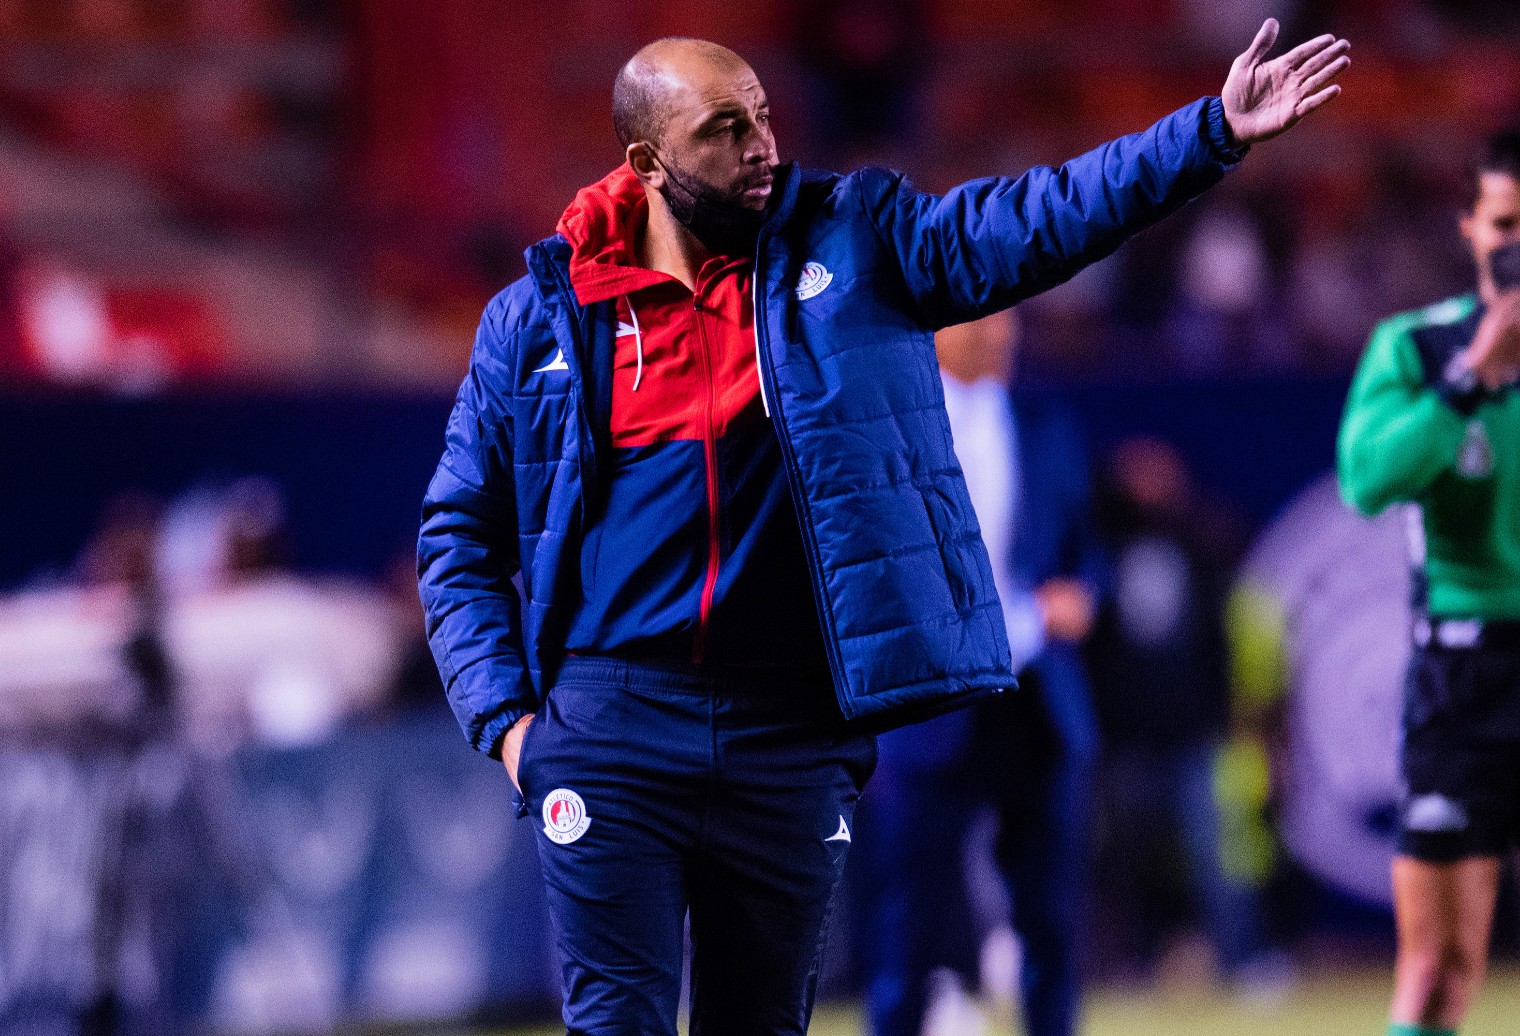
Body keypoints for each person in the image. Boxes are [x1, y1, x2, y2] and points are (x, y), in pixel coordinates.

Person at [418, 27, 1349, 1034]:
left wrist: (1206, 132)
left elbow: (1035, 218)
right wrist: (510, 725)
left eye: (763, 114)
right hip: (611, 721)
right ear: (646, 163)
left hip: (788, 727)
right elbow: (457, 535)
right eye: (724, 129)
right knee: (618, 1025)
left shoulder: (855, 238)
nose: (762, 144)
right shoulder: (541, 319)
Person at [856, 309, 1103, 1036]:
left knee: (1050, 917)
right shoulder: (891, 427)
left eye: (1010, 322)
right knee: (909, 916)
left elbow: (1083, 544)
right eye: (984, 323)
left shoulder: (1042, 418)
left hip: (1037, 704)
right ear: (936, 329)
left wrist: (1083, 593)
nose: (1002, 336)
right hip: (932, 703)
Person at [1338, 131, 1520, 1036]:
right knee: (1441, 967)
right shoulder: (1415, 347)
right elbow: (1367, 479)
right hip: (1466, 679)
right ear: (1470, 228)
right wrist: (1470, 380)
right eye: (1507, 223)